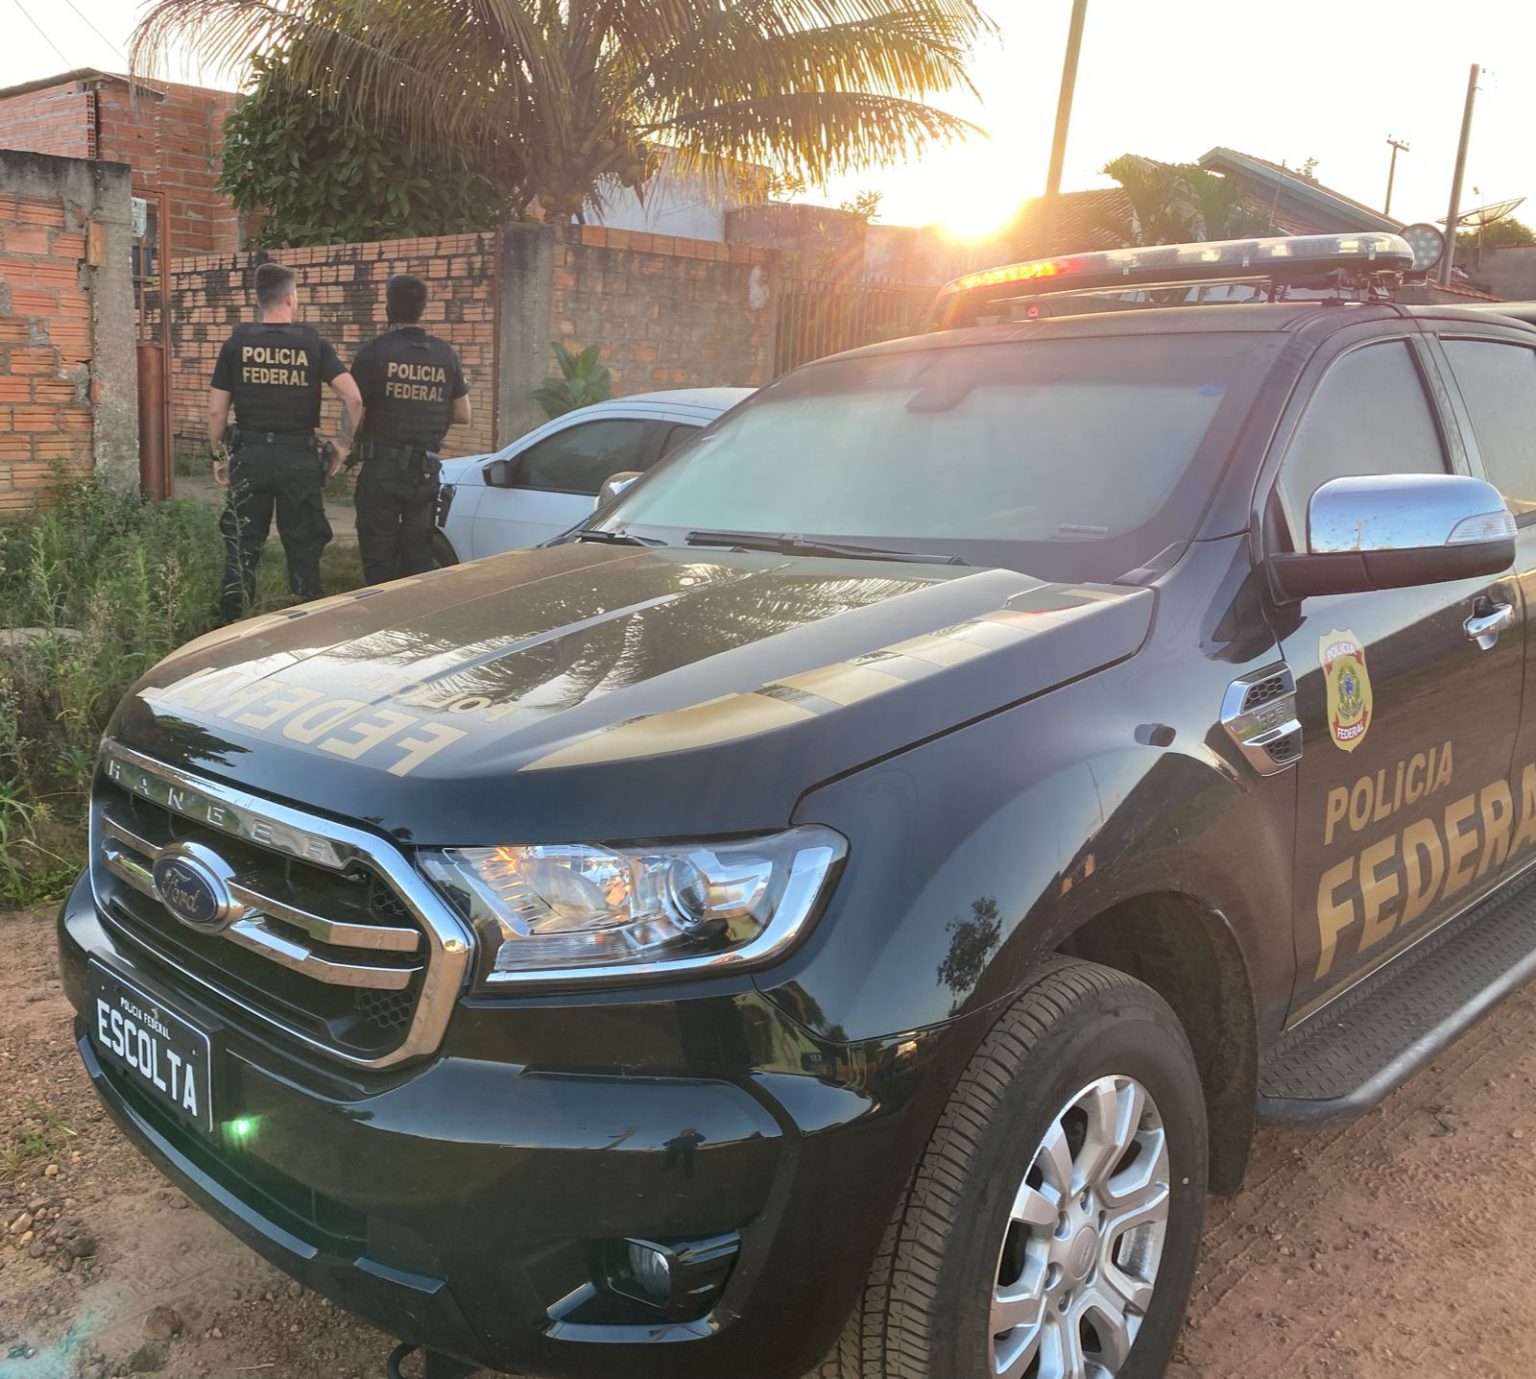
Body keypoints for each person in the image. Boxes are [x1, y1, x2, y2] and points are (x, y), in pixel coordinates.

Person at [208, 261, 363, 623]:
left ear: (258, 299)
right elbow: (354, 398)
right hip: (299, 459)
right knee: (304, 543)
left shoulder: (236, 344)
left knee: (242, 544)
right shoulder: (314, 345)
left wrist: (218, 455)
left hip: (250, 456)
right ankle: (305, 619)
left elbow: (216, 412)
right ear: (291, 298)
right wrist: (342, 444)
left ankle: (230, 620)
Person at [349, 274, 471, 584]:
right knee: (418, 553)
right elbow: (463, 414)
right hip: (424, 472)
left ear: (388, 307)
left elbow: (355, 415)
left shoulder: (373, 352)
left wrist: (345, 446)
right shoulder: (445, 354)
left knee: (378, 552)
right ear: (423, 308)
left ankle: (379, 610)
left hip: (382, 469)